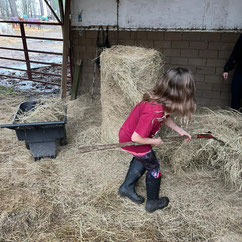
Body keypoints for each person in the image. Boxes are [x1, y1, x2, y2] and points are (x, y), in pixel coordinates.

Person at [118, 67, 196, 213]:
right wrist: (155, 142)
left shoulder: (161, 104)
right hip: (132, 139)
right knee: (153, 167)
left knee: (143, 158)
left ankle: (126, 188)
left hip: (132, 137)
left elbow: (164, 118)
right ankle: (152, 202)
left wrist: (180, 131)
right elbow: (137, 138)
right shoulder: (153, 111)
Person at [223, 34, 242, 111]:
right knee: (235, 91)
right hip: (240, 70)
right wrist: (227, 69)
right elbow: (236, 52)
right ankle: (234, 114)